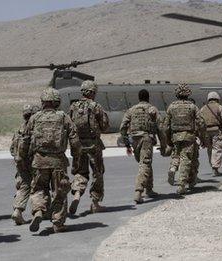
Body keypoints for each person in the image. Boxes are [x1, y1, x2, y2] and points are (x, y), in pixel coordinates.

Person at [21, 88, 79, 233]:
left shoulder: (34, 118)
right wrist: (76, 155)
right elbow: (74, 138)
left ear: (43, 102)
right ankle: (58, 222)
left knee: (39, 189)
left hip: (39, 161)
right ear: (56, 102)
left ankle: (39, 211)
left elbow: (25, 140)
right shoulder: (63, 117)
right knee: (60, 191)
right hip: (58, 162)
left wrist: (24, 157)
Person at [69, 80, 110, 214]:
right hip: (93, 145)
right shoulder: (95, 106)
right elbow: (104, 125)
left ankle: (77, 194)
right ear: (92, 92)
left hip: (78, 145)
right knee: (97, 172)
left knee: (81, 172)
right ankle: (95, 203)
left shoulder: (73, 106)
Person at [120, 89, 164, 204]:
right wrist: (164, 144)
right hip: (146, 139)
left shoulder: (131, 110)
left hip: (134, 139)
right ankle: (138, 192)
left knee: (145, 162)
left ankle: (149, 189)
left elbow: (123, 127)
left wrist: (127, 144)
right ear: (148, 98)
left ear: (139, 98)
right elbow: (160, 128)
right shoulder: (152, 109)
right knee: (145, 163)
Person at [164, 83, 206, 194]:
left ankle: (173, 168)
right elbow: (201, 123)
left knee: (176, 155)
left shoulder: (171, 107)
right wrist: (202, 137)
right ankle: (182, 185)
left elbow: (166, 126)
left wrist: (168, 140)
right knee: (186, 160)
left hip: (176, 137)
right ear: (188, 93)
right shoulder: (192, 106)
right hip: (189, 137)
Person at [10, 104, 40, 225]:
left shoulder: (20, 128)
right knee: (39, 186)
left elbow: (12, 148)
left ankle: (18, 210)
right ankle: (39, 210)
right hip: (32, 161)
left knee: (24, 186)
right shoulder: (34, 128)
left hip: (19, 162)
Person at [199, 92, 222, 176]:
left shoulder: (203, 109)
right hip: (216, 130)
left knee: (209, 149)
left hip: (205, 132)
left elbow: (199, 122)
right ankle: (215, 168)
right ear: (217, 99)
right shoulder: (220, 107)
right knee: (217, 149)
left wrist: (201, 135)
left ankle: (212, 166)